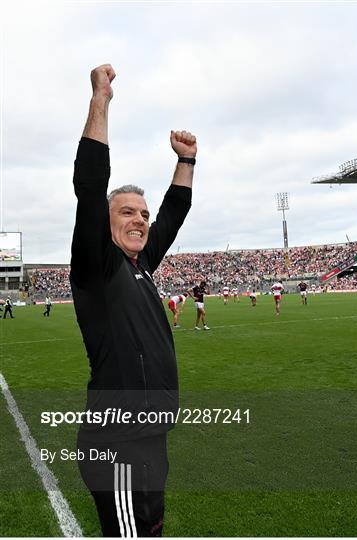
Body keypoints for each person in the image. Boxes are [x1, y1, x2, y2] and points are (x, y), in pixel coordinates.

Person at [70, 64, 196, 537]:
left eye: (143, 214)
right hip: (118, 443)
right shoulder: (97, 267)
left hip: (149, 438)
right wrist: (100, 101)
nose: (141, 219)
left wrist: (187, 160)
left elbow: (175, 212)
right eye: (127, 212)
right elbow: (89, 186)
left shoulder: (140, 264)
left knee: (151, 529)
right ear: (105, 224)